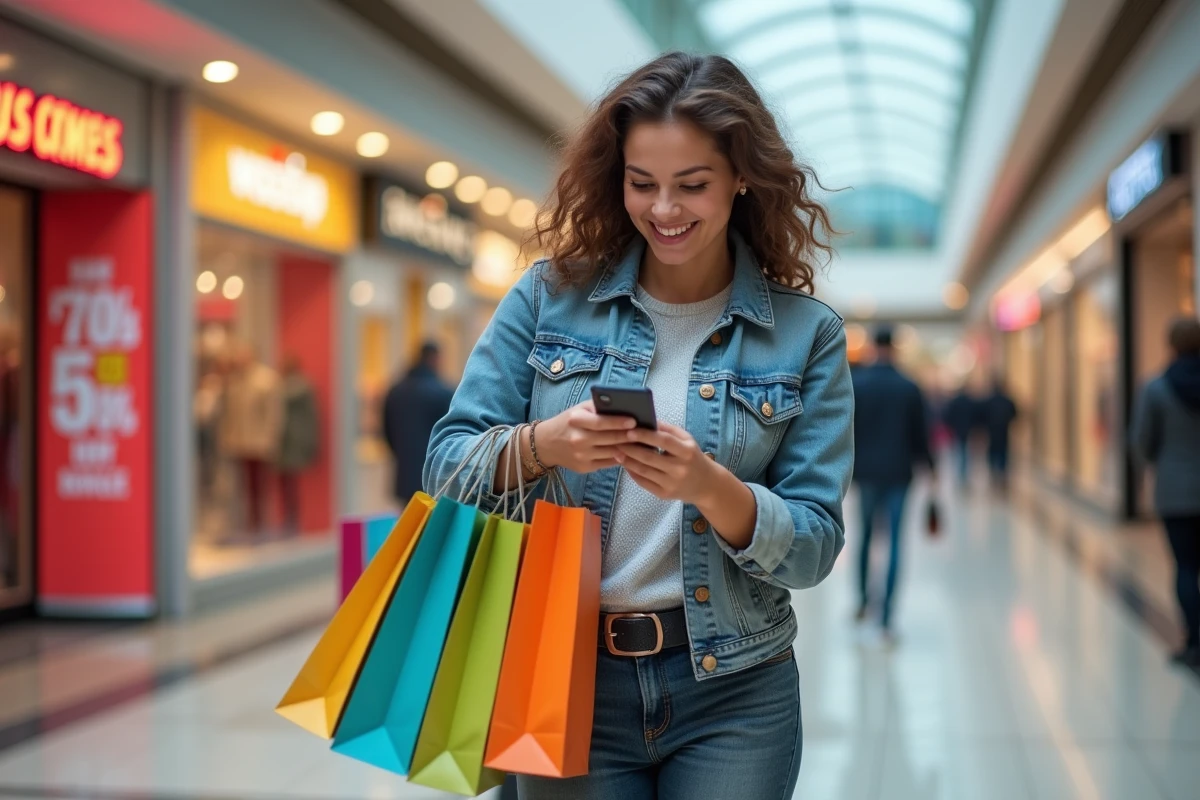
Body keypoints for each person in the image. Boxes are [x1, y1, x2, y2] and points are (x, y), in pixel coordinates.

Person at [425, 53, 853, 800]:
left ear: (741, 177)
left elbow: (813, 546)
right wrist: (541, 444)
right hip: (564, 673)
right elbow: (445, 465)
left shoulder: (805, 334)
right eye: (641, 183)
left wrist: (712, 488)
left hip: (735, 687)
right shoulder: (548, 297)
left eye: (692, 185)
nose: (664, 210)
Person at [850, 326, 935, 640]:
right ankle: (886, 617)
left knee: (865, 538)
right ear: (895, 348)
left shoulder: (858, 384)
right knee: (896, 542)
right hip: (900, 473)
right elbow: (921, 436)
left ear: (873, 346)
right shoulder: (909, 387)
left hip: (866, 473)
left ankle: (862, 601)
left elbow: (847, 432)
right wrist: (932, 470)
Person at [1132, 316, 1200, 666]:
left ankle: (1195, 642)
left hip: (1175, 492)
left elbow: (1141, 442)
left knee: (1187, 566)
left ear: (1171, 344)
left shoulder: (1156, 388)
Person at [219, 342, 282, 537]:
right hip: (239, 441)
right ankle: (243, 523)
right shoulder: (235, 381)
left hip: (258, 442)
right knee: (240, 486)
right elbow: (230, 413)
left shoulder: (266, 380)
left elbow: (273, 413)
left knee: (258, 485)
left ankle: (259, 523)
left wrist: (269, 438)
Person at [382, 341, 454, 506]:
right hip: (435, 475)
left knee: (409, 523)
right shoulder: (443, 393)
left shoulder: (396, 391)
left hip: (405, 472)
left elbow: (387, 431)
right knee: (434, 527)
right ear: (434, 359)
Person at [276, 356, 320, 533]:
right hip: (289, 439)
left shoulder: (298, 387)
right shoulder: (291, 387)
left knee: (291, 480)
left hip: (295, 439)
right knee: (287, 480)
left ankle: (294, 519)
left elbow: (283, 397)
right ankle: (290, 517)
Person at [982, 378, 1018, 493]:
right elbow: (1014, 413)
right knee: (1003, 453)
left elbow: (982, 415)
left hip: (992, 432)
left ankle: (994, 473)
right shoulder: (1007, 401)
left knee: (993, 453)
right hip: (1003, 431)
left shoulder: (989, 401)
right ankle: (1001, 474)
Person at [943, 383, 981, 488]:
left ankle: (961, 475)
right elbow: (976, 416)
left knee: (960, 452)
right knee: (965, 452)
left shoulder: (955, 402)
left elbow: (948, 416)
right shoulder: (970, 402)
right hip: (967, 430)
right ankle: (963, 475)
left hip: (957, 430)